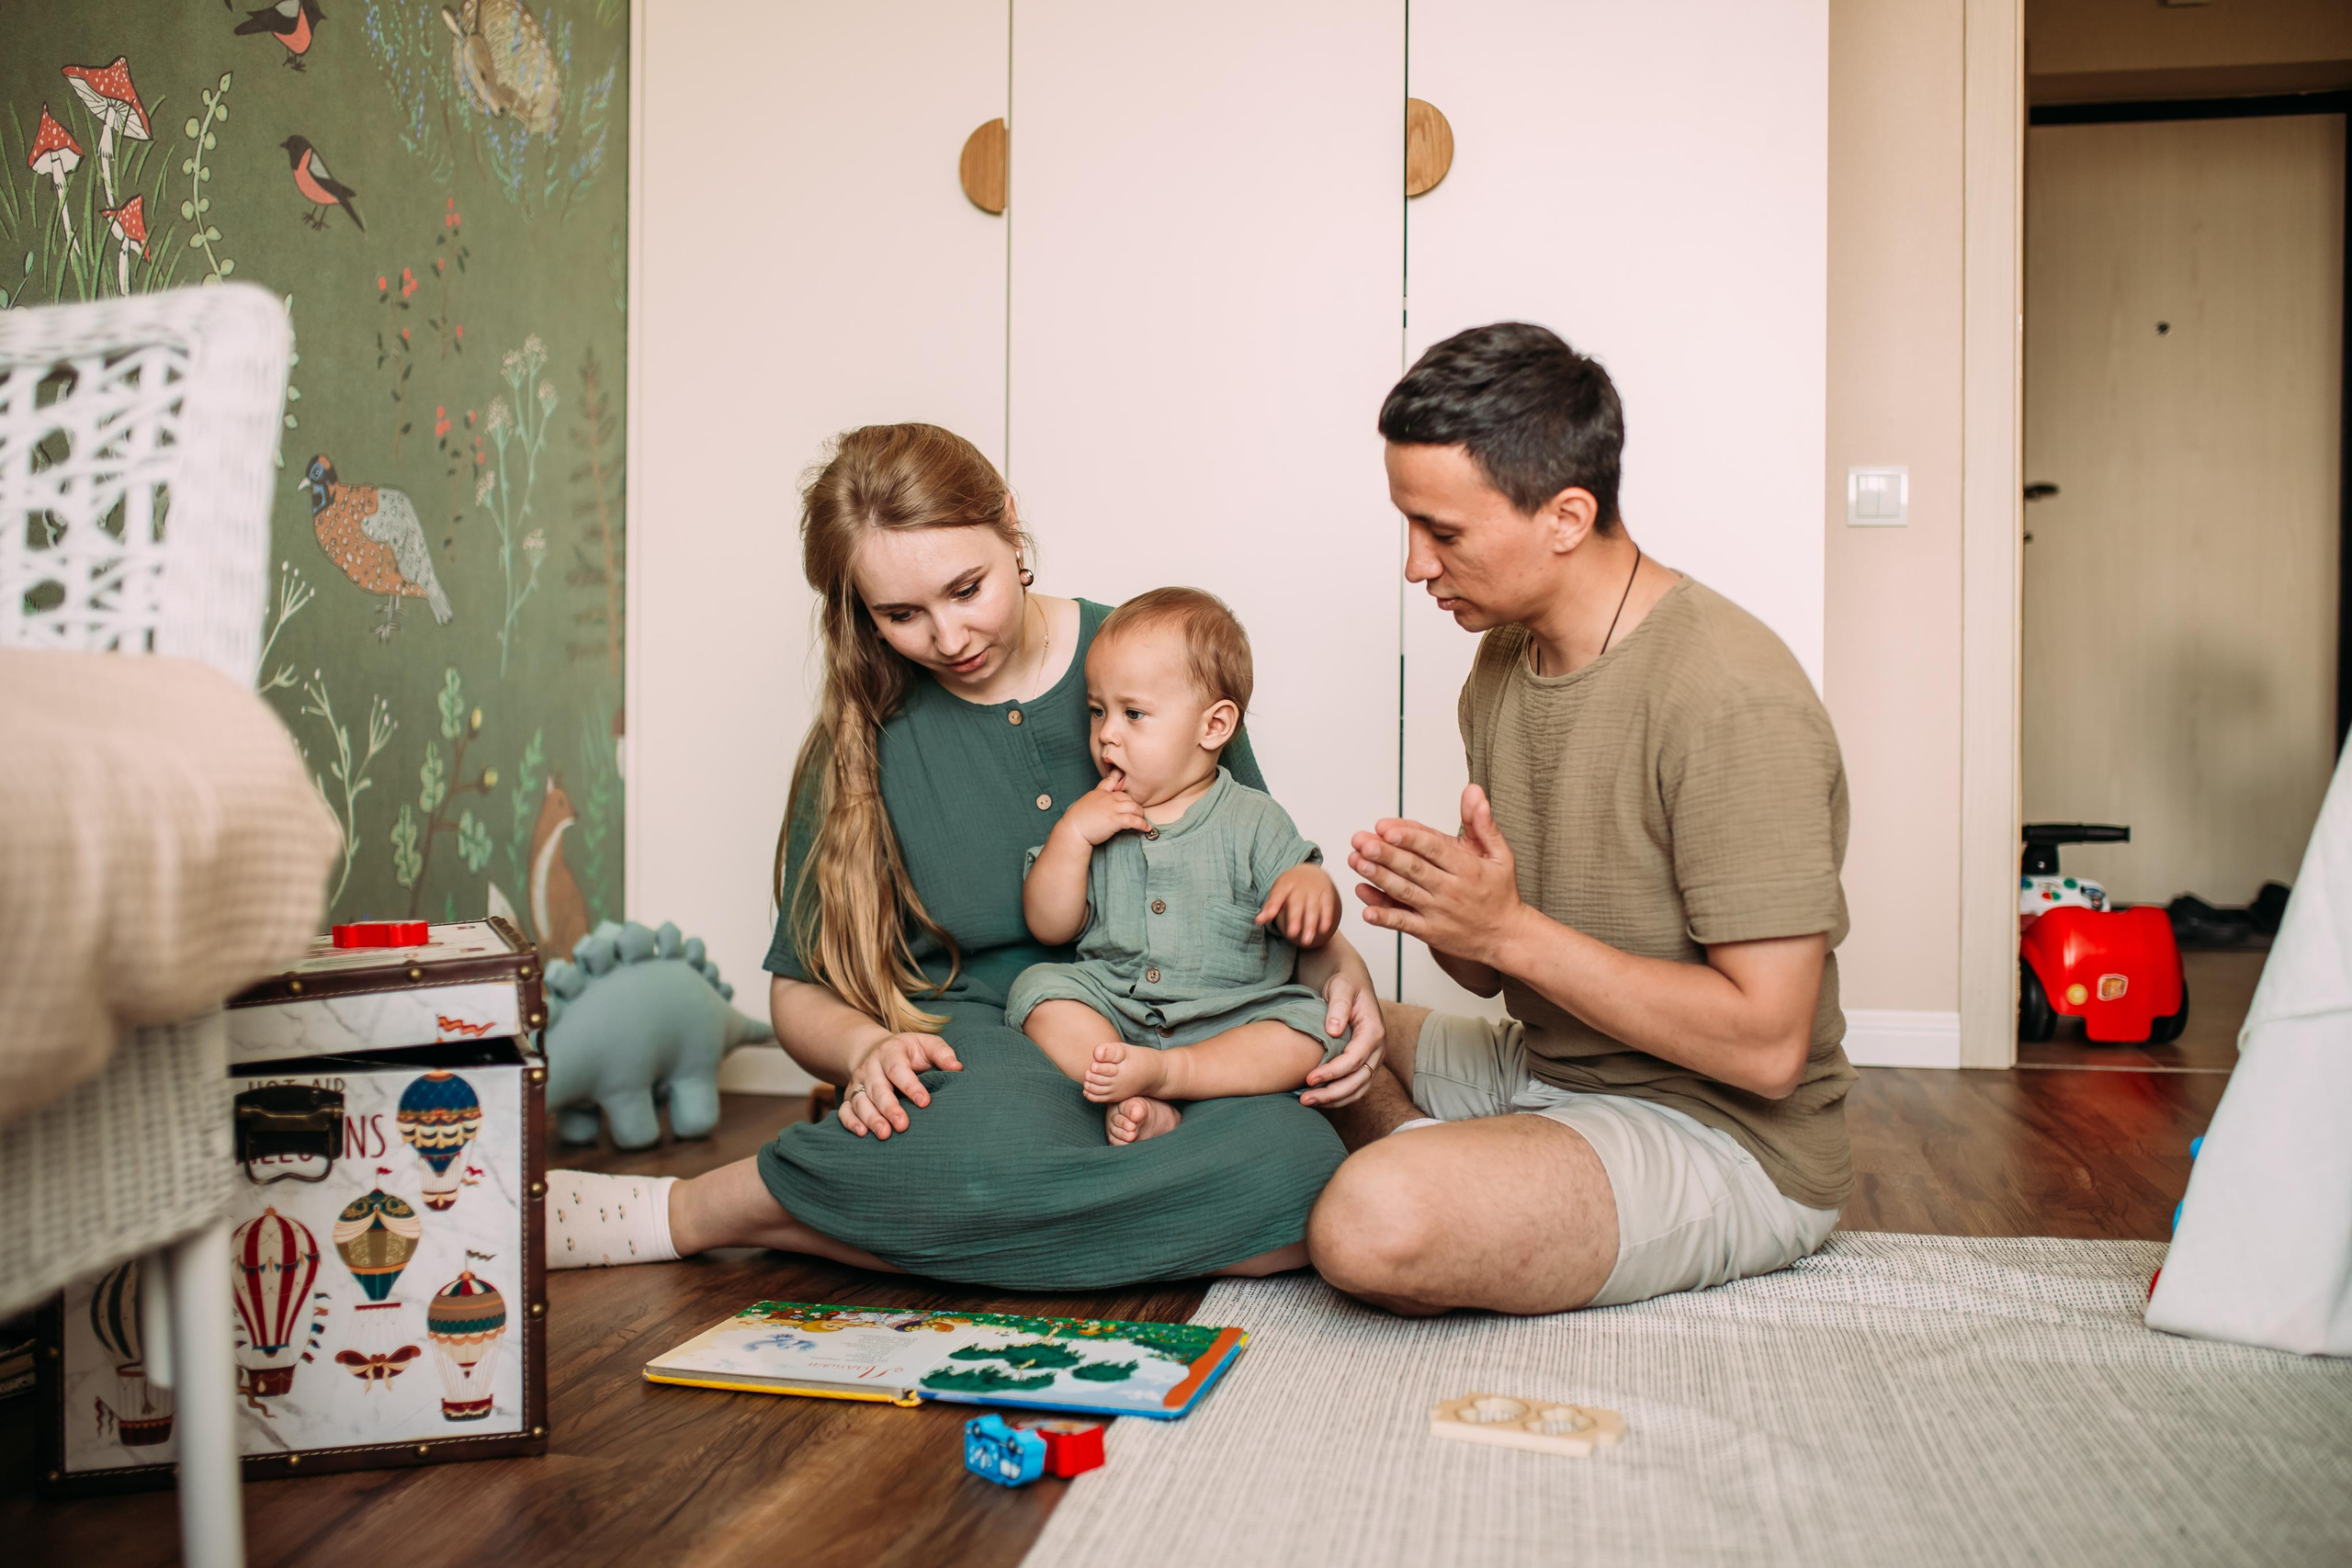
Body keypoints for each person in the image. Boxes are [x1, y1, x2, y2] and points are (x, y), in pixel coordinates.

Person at [545, 423, 1385, 1289]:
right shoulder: (863, 732)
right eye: (901, 614)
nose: (948, 637)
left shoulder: (1145, 664)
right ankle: (703, 1211)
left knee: (1295, 1164)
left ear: (1011, 528)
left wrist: (1340, 967)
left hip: (1190, 1040)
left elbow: (1258, 862)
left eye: (966, 588)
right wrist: (867, 1049)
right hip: (978, 1054)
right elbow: (797, 987)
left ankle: (835, 1220)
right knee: (976, 1146)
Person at [1307, 322, 1857, 1315]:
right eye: (1407, 526)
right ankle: (1450, 1164)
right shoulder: (1501, 663)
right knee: (1286, 1023)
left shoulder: (1731, 695)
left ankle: (1419, 1166)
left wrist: (1508, 929)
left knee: (1371, 1220)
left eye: (1443, 532)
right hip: (1552, 1071)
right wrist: (1458, 918)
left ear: (1566, 515)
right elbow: (1499, 969)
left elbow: (1768, 1045)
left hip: (1724, 1133)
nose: (1414, 565)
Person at [1011, 587, 1347, 1145]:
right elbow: (1049, 926)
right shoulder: (1093, 817)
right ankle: (1136, 1093)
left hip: (1233, 1018)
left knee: (1310, 1029)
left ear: (1213, 727)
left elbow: (1305, 908)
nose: (1107, 733)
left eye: (1133, 713)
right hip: (1116, 1009)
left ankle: (1173, 1075)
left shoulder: (1253, 818)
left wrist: (1312, 886)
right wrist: (1070, 835)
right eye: (1098, 712)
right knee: (1039, 992)